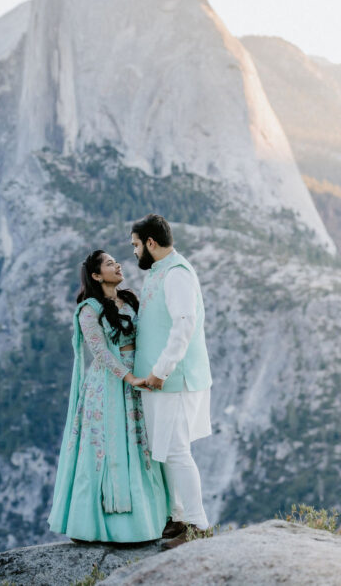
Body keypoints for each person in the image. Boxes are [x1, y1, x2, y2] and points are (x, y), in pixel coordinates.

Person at [48, 250, 168, 543]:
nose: (118, 265)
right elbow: (99, 351)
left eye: (116, 261)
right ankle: (99, 525)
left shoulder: (129, 300)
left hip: (138, 377)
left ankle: (145, 524)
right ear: (96, 275)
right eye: (110, 263)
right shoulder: (88, 309)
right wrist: (128, 377)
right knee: (104, 446)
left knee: (139, 444)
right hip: (108, 384)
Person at [130, 214, 213, 550]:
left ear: (151, 243)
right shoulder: (159, 272)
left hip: (172, 380)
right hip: (156, 381)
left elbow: (184, 324)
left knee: (176, 450)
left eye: (136, 245)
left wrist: (161, 371)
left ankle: (197, 524)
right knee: (163, 450)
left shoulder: (177, 274)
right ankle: (176, 516)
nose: (134, 252)